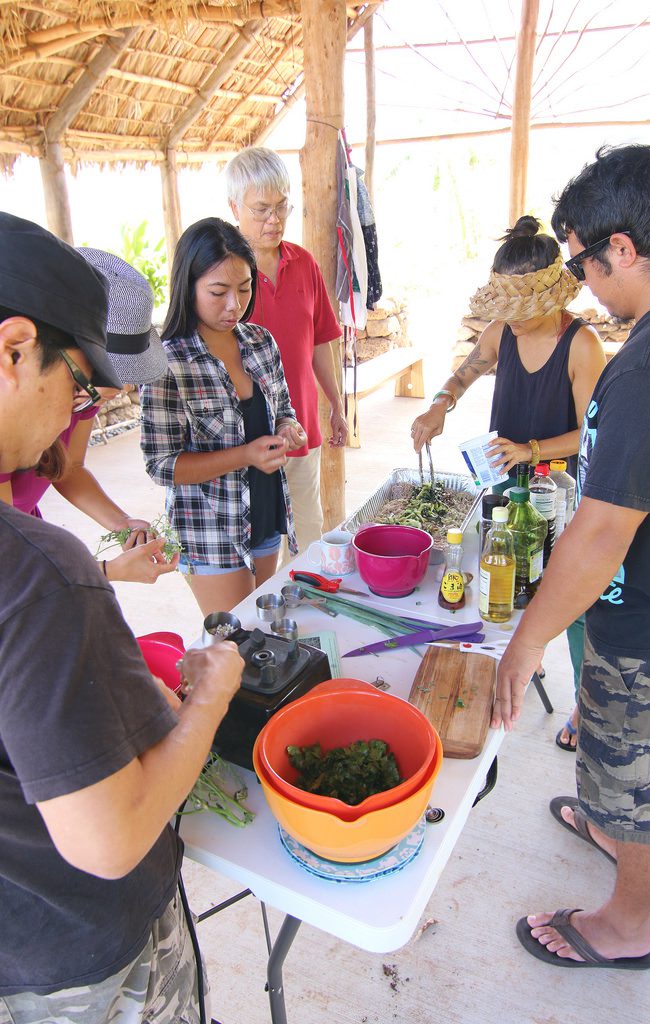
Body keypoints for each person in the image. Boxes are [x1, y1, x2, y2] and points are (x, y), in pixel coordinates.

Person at [0, 212, 244, 1021]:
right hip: (76, 956)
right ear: (13, 350)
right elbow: (108, 839)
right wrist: (207, 698)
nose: (85, 405)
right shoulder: (40, 573)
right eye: (79, 381)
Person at [493, 144, 650, 970]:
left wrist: (528, 639)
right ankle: (607, 827)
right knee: (618, 759)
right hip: (649, 601)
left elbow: (604, 532)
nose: (581, 282)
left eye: (580, 261)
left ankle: (623, 927)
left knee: (649, 775)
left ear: (622, 250)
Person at [411, 216, 605, 743]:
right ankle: (524, 656)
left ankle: (587, 709)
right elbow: (464, 373)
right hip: (505, 480)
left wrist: (532, 449)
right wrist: (440, 406)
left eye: (520, 312)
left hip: (557, 491)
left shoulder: (582, 345)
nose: (511, 322)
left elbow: (592, 436)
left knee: (571, 594)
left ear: (551, 298)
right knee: (503, 574)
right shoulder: (501, 333)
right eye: (506, 312)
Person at [141, 217, 306, 615]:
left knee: (264, 628)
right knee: (234, 643)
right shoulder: (166, 363)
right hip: (212, 530)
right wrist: (245, 455)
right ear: (189, 287)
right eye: (218, 291)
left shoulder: (261, 342)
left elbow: (283, 410)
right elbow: (162, 465)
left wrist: (288, 427)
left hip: (267, 513)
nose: (235, 304)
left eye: (245, 288)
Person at [0, 248, 177, 585]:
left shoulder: (78, 392)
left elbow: (69, 468)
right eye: (82, 384)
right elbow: (14, 576)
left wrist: (121, 522)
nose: (121, 388)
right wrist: (107, 572)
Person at [225, 146, 348, 561]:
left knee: (307, 545)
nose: (273, 220)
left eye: (281, 207)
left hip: (302, 433)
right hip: (247, 441)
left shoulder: (304, 264)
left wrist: (337, 403)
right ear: (234, 207)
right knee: (253, 551)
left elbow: (318, 342)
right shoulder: (222, 276)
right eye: (261, 209)